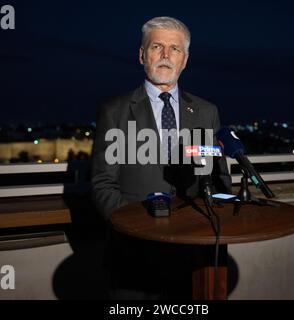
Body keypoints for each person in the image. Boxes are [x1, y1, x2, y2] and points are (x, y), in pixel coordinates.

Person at [91, 16, 232, 299]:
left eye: (175, 49)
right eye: (157, 47)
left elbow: (220, 182)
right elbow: (102, 184)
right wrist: (137, 229)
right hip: (132, 257)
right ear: (142, 55)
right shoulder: (114, 111)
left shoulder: (207, 112)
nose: (166, 56)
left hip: (192, 256)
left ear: (185, 59)